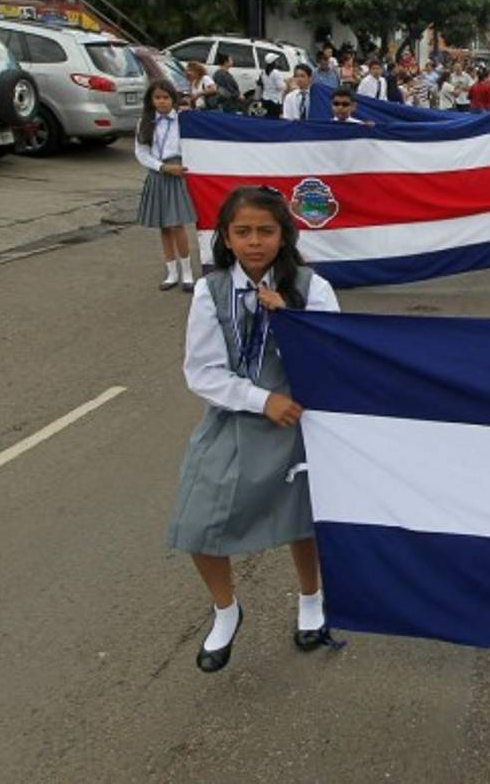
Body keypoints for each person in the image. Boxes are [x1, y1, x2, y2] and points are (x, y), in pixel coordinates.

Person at [168, 185, 342, 673]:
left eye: (266, 231)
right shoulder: (212, 289)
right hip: (239, 415)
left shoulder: (313, 288)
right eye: (242, 232)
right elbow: (201, 370)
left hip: (300, 418)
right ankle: (226, 609)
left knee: (301, 520)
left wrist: (291, 323)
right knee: (197, 520)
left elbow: (335, 358)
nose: (255, 242)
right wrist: (260, 399)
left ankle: (311, 598)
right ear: (225, 237)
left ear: (284, 236)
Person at [134, 79, 197, 292]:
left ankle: (187, 272)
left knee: (177, 223)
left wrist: (179, 167)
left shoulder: (182, 120)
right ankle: (171, 272)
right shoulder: (145, 122)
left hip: (177, 172)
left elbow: (190, 146)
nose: (161, 102)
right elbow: (141, 152)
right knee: (163, 225)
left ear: (173, 99)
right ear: (151, 100)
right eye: (157, 98)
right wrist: (161, 167)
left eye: (166, 97)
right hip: (158, 173)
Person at [257, 54, 287, 119]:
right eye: (276, 60)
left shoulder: (263, 72)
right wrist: (286, 83)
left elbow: (261, 84)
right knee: (274, 119)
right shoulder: (276, 72)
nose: (277, 62)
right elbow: (281, 87)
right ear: (274, 62)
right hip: (274, 101)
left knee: (267, 118)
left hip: (265, 99)